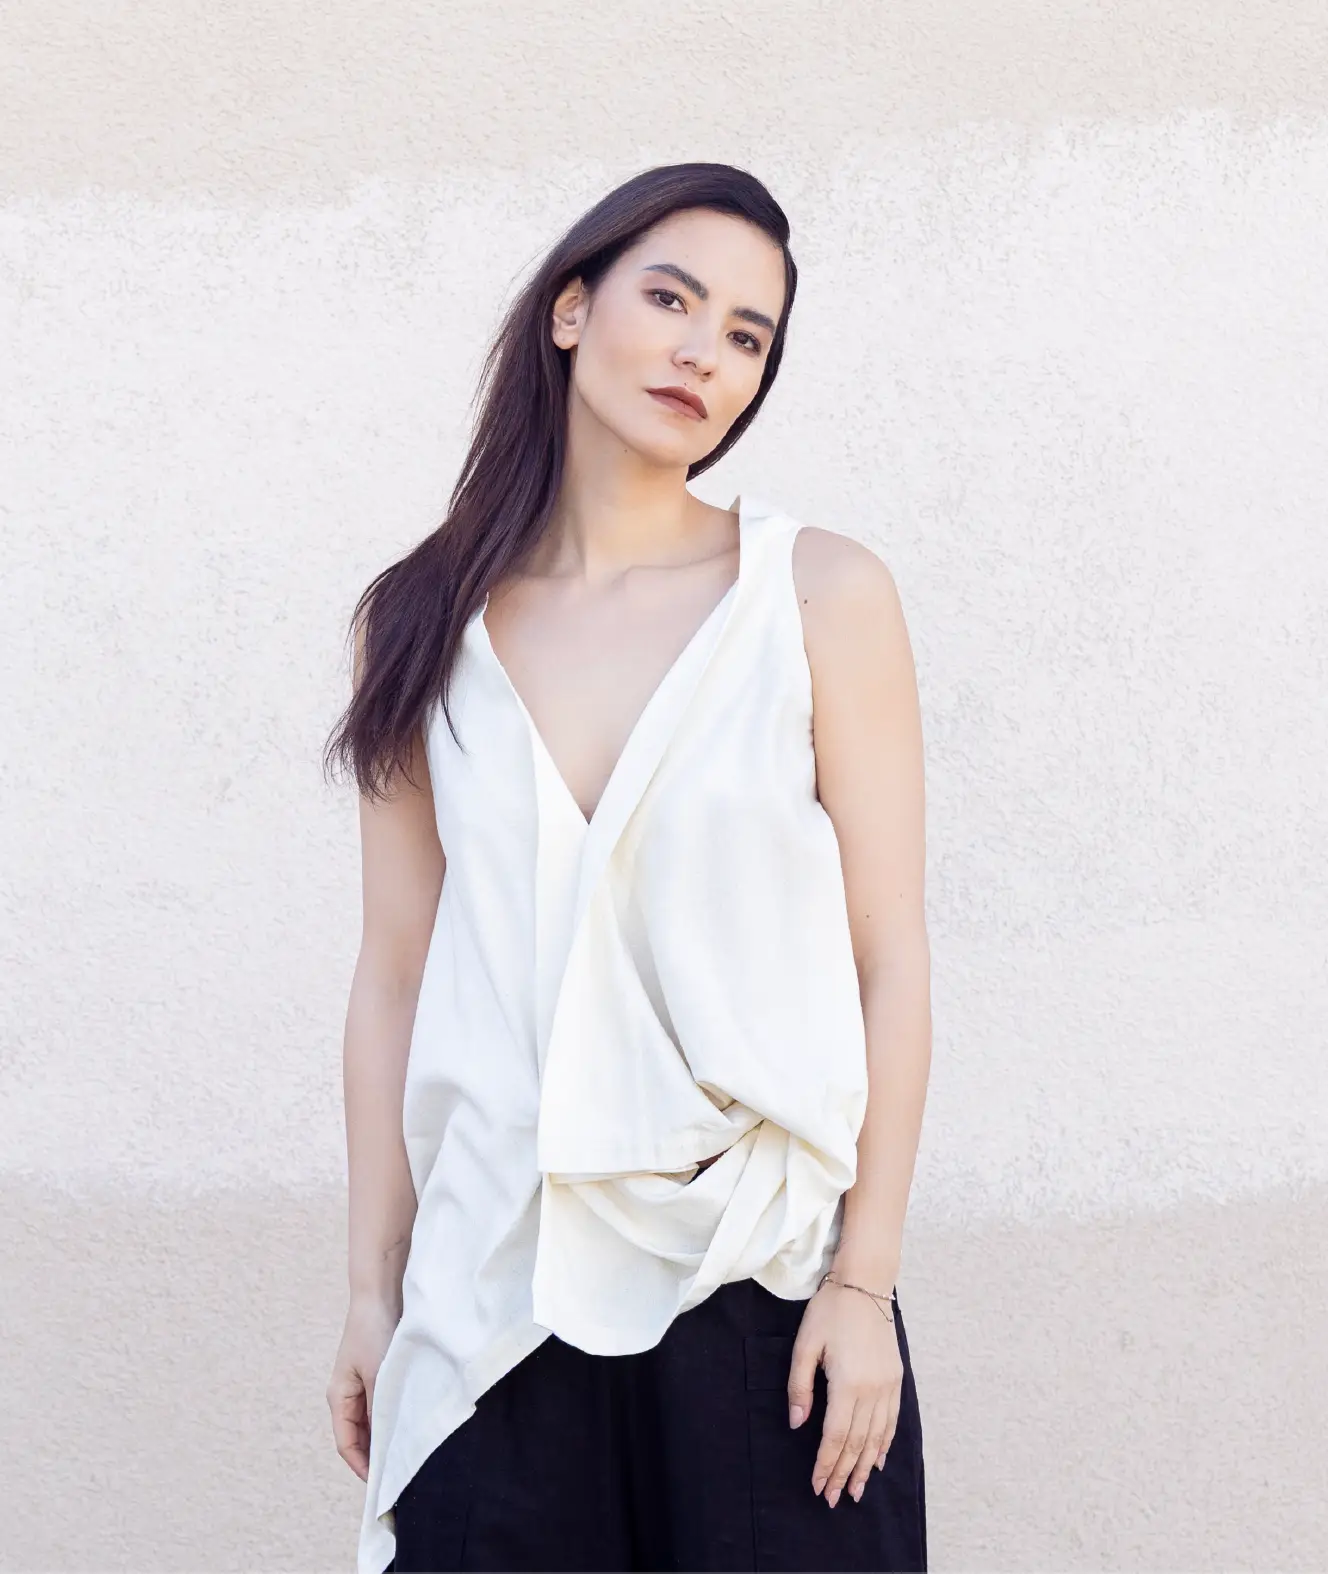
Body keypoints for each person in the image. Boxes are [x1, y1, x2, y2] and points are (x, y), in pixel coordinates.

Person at [323, 161, 933, 1573]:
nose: (702, 352)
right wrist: (371, 1288)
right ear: (570, 308)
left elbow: (890, 958)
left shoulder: (819, 595)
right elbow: (394, 975)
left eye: (746, 335)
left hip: (761, 1288)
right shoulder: (419, 621)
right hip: (493, 1300)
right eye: (671, 300)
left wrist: (864, 1280)